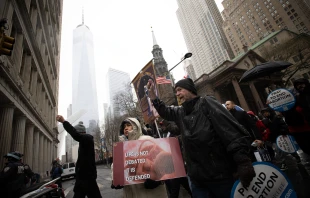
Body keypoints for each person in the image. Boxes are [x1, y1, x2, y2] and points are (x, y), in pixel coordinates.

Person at [147, 78, 256, 198]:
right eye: (175, 91)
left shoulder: (207, 103)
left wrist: (243, 162)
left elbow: (229, 132)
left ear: (190, 90)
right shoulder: (181, 112)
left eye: (179, 90)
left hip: (220, 177)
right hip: (197, 180)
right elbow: (165, 111)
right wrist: (153, 96)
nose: (177, 94)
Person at [111, 118, 167, 198]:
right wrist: (115, 179)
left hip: (149, 193)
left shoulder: (147, 140)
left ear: (136, 126)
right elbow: (116, 165)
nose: (126, 128)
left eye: (129, 125)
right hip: (131, 192)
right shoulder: (121, 147)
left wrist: (158, 180)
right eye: (124, 127)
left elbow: (163, 160)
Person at [56, 116, 102, 198]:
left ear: (80, 132)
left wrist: (64, 122)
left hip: (88, 178)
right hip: (81, 179)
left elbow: (75, 134)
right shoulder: (83, 142)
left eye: (77, 133)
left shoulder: (87, 139)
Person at [284, 78, 310, 155]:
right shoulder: (296, 98)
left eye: (301, 84)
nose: (300, 86)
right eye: (297, 85)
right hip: (302, 128)